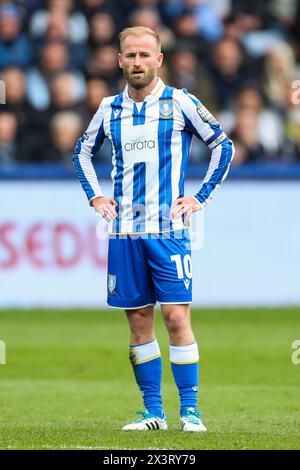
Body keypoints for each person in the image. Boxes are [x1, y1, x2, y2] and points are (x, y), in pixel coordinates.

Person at [73, 26, 234, 432]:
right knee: (139, 322)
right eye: (130, 56)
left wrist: (200, 198)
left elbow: (223, 145)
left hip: (168, 231)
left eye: (145, 55)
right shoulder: (109, 108)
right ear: (120, 60)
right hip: (124, 232)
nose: (138, 62)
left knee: (177, 318)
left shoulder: (180, 102)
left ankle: (191, 411)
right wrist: (95, 196)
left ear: (159, 59)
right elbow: (82, 153)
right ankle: (153, 413)